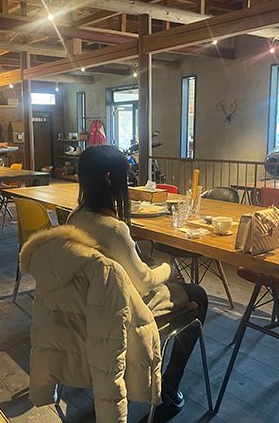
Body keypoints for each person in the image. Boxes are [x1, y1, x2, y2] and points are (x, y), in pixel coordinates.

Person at [67, 145, 208, 421]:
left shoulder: (76, 216)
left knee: (151, 265)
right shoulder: (114, 228)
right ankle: (169, 388)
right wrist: (168, 270)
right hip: (122, 313)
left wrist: (144, 263)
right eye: (125, 177)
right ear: (109, 179)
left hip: (87, 309)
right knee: (198, 295)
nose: (128, 184)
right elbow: (143, 283)